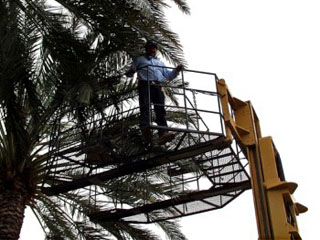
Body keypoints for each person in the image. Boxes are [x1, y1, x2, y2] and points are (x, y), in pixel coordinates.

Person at [127, 41, 184, 145]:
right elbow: (130, 74)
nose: (152, 50)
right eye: (150, 48)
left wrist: (177, 70)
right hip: (145, 85)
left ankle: (163, 133)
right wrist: (132, 71)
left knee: (160, 109)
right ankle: (145, 128)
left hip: (157, 86)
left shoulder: (160, 63)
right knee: (145, 106)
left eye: (154, 48)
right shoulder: (139, 60)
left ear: (156, 50)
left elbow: (169, 76)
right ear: (146, 49)